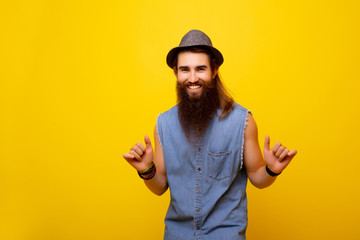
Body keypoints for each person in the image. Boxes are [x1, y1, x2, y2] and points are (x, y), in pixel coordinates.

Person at [123, 29, 297, 240]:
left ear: (214, 71)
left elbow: (258, 178)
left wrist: (270, 169)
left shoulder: (242, 121)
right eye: (185, 69)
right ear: (176, 73)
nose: (193, 78)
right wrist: (147, 169)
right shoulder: (164, 123)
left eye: (201, 69)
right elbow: (159, 187)